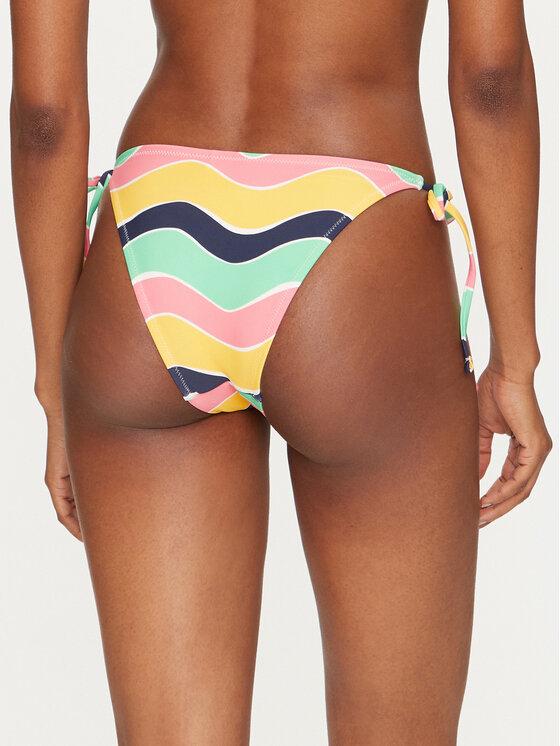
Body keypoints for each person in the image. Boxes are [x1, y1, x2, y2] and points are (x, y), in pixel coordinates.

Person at [10, 1, 552, 743]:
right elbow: (492, 77)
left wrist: (55, 381)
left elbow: (43, 115)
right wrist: (515, 360)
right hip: (360, 226)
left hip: (158, 229)